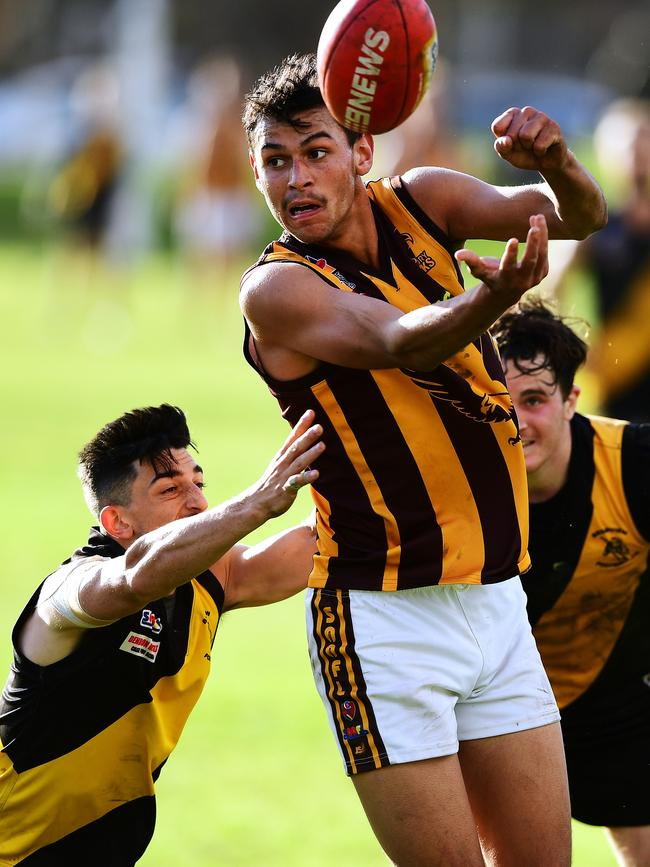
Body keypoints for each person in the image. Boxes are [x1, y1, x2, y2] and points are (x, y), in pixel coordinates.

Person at [239, 52, 606, 866]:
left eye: (316, 149)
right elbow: (395, 339)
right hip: (381, 618)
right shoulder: (275, 289)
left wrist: (558, 162)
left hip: (495, 601)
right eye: (274, 159)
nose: (295, 176)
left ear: (363, 152)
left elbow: (578, 216)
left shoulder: (426, 200)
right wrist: (495, 295)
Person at [0, 403, 323, 865]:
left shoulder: (215, 579)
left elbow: (325, 543)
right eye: (171, 489)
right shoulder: (69, 591)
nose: (197, 502)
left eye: (199, 483)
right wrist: (255, 504)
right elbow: (134, 578)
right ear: (117, 523)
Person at [493, 299, 650, 867]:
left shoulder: (633, 463)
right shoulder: (454, 487)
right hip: (499, 710)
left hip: (616, 691)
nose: (517, 422)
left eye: (533, 400)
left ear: (570, 402)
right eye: (500, 404)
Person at [546, 98, 650, 422]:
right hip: (620, 389)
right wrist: (572, 349)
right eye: (627, 145)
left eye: (643, 141)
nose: (637, 155)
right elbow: (551, 289)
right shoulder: (597, 229)